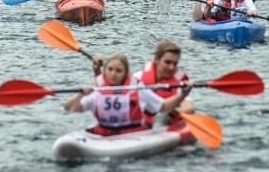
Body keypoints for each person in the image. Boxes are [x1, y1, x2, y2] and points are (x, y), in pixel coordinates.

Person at [63, 52, 192, 136]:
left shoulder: (136, 88)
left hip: (133, 136)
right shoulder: (99, 90)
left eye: (119, 71)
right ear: (105, 71)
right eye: (110, 69)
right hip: (104, 135)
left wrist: (182, 95)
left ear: (125, 73)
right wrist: (80, 94)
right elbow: (70, 108)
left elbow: (163, 107)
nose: (113, 74)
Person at [130, 41, 194, 127]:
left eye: (175, 63)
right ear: (156, 60)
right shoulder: (137, 78)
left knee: (161, 116)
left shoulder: (182, 85)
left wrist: (171, 110)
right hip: (142, 122)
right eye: (167, 62)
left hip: (166, 121)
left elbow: (188, 108)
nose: (171, 67)